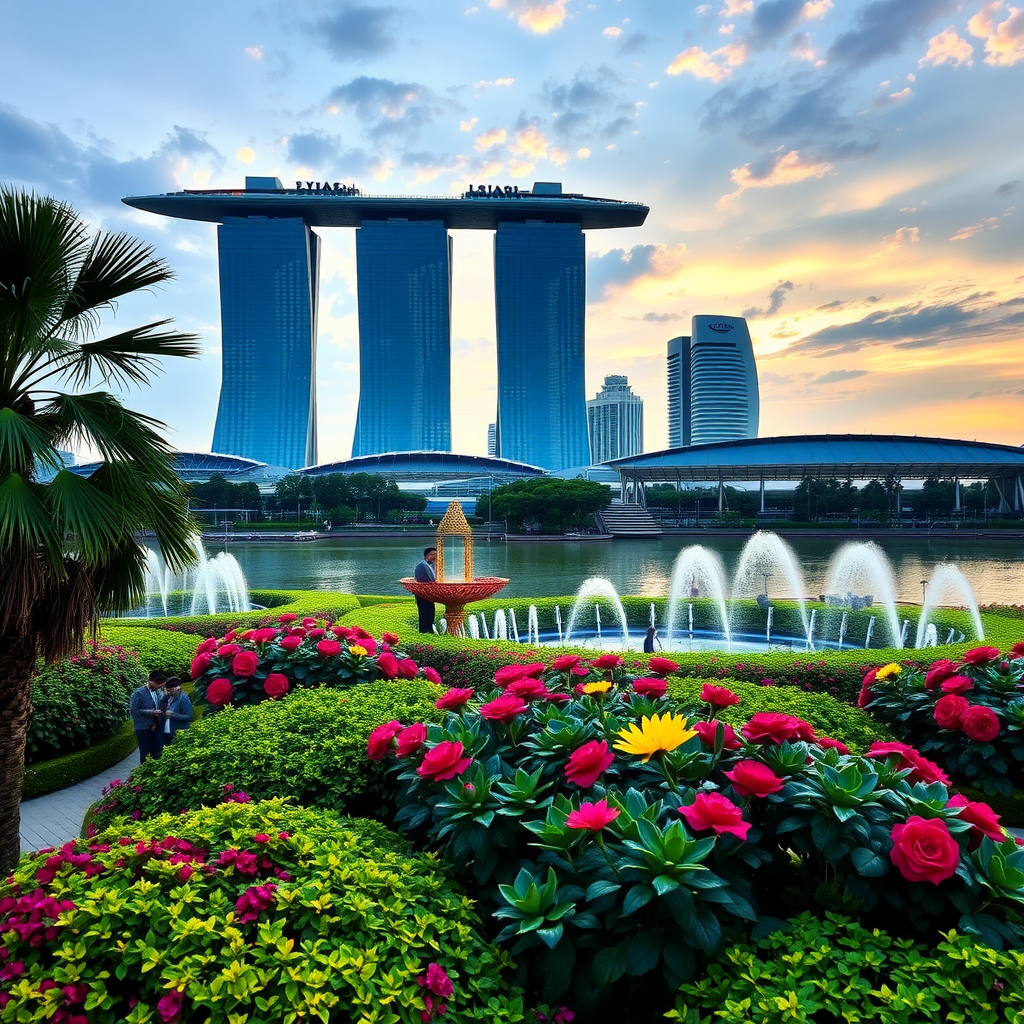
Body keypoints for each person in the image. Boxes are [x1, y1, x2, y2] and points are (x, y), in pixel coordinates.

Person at [130, 670, 166, 763]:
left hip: (157, 725)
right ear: (151, 681)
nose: (160, 687)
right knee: (145, 752)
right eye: (159, 684)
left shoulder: (159, 692)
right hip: (143, 727)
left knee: (158, 749)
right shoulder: (138, 693)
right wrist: (153, 712)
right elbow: (135, 711)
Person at [159, 677, 193, 745]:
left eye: (170, 691)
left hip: (178, 731)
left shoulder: (183, 698)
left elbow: (189, 717)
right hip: (166, 731)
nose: (168, 693)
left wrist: (172, 715)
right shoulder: (167, 697)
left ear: (177, 688)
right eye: (167, 690)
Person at [414, 546, 437, 633]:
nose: (435, 556)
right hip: (422, 594)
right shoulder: (421, 566)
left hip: (429, 594)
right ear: (426, 556)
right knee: (424, 613)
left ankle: (429, 630)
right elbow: (422, 580)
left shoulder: (432, 565)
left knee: (431, 613)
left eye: (436, 554)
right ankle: (424, 631)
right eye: (433, 554)